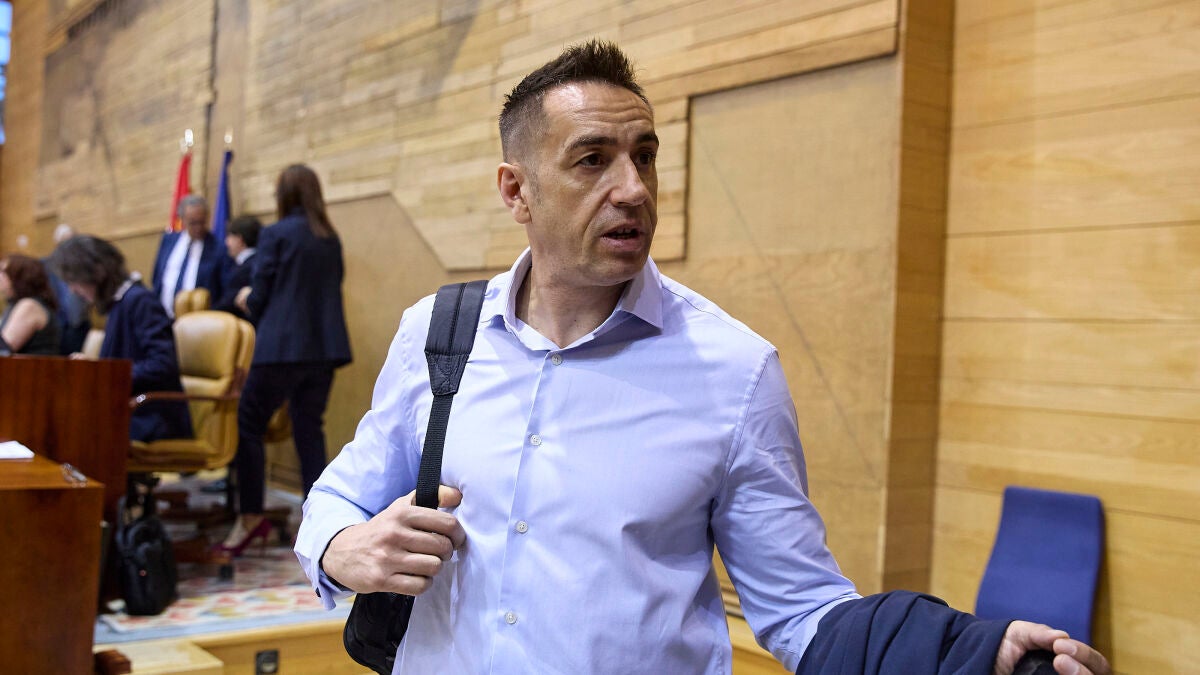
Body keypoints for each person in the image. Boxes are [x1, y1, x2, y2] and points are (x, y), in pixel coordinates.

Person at [295, 42, 1111, 675]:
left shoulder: (734, 371)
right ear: (517, 191)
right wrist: (344, 548)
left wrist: (962, 652)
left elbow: (801, 608)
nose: (634, 188)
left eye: (644, 155)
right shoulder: (437, 333)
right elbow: (337, 495)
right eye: (593, 159)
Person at [217, 165, 352, 555]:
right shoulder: (329, 236)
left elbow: (261, 293)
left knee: (248, 422)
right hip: (324, 349)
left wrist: (246, 299)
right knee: (309, 428)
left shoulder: (275, 233)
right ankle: (317, 519)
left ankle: (250, 516)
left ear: (283, 195)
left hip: (280, 348)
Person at [49, 236, 191, 442]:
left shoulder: (140, 301)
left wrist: (103, 373)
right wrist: (95, 369)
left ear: (96, 272)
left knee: (69, 428)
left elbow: (163, 365)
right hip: (129, 409)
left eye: (74, 280)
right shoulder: (120, 303)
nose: (72, 289)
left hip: (151, 415)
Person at [151, 195, 227, 317]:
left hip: (199, 321)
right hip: (164, 318)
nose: (198, 228)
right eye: (193, 223)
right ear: (182, 219)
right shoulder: (168, 240)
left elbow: (224, 291)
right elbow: (157, 277)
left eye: (202, 222)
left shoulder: (218, 249)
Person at [43, 223, 92, 354]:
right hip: (57, 324)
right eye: (65, 241)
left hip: (79, 324)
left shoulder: (84, 263)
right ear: (57, 244)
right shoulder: (46, 265)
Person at [0, 254, 62, 356]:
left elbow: (4, 349)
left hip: (34, 365)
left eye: (3, 271)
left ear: (18, 277)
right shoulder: (17, 304)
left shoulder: (29, 306)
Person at [213, 215, 262, 320]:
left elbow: (227, 305)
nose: (226, 242)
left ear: (239, 239)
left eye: (229, 237)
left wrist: (204, 314)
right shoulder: (258, 262)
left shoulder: (244, 270)